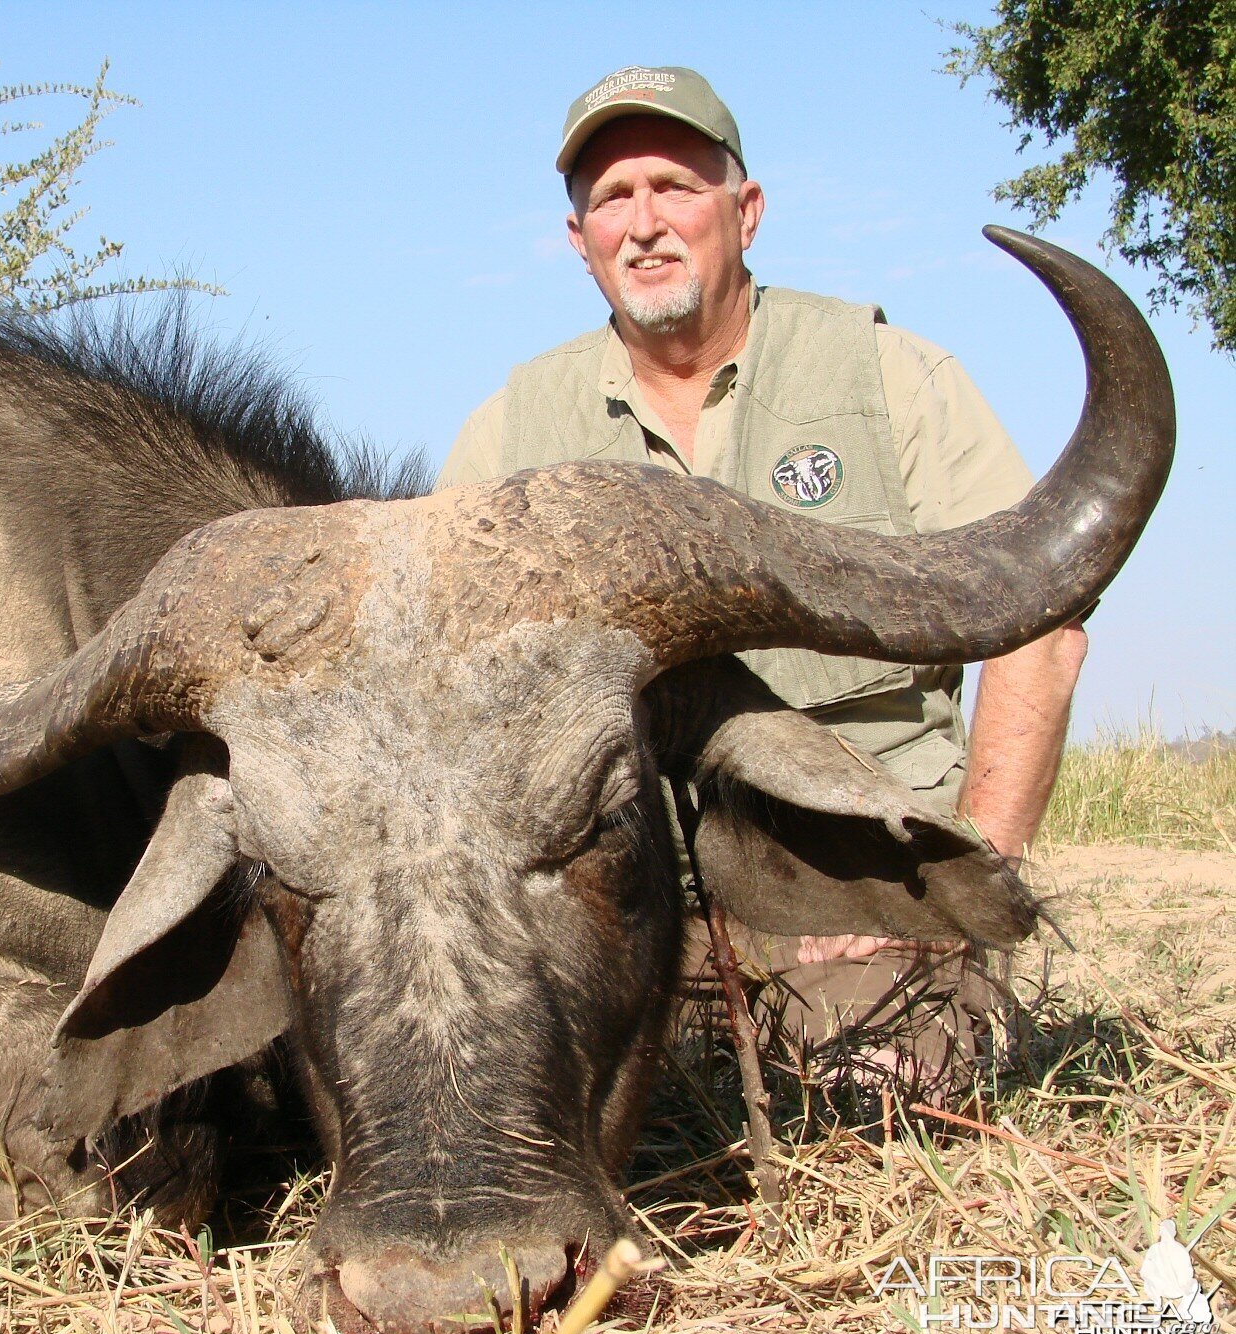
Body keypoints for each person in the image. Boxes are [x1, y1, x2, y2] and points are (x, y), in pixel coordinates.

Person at [437, 65, 1088, 1102]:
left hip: (872, 902)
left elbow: (1039, 628)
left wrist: (965, 897)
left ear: (746, 213)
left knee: (869, 1082)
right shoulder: (508, 435)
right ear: (579, 241)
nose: (643, 223)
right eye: (612, 198)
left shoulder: (890, 376)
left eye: (675, 186)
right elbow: (444, 705)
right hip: (624, 931)